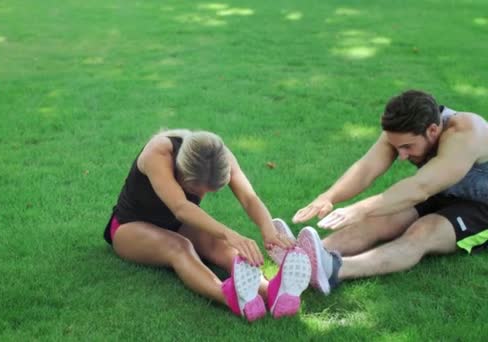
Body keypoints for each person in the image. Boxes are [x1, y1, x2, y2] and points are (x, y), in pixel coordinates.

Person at [282, 89, 488, 295]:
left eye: (407, 147)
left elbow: (420, 188)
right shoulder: (402, 131)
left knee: (423, 231)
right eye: (397, 147)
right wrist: (328, 197)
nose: (401, 156)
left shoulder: (466, 132)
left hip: (481, 206)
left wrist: (360, 208)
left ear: (433, 130)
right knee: (378, 218)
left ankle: (335, 269)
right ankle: (303, 257)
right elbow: (366, 169)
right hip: (441, 189)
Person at [103, 129, 312, 321]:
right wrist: (228, 233)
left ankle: (272, 292)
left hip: (176, 223)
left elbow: (249, 198)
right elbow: (181, 207)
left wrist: (268, 230)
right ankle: (229, 296)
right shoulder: (158, 153)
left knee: (219, 246)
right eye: (195, 189)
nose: (201, 195)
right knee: (179, 246)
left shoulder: (219, 156)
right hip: (129, 227)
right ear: (180, 170)